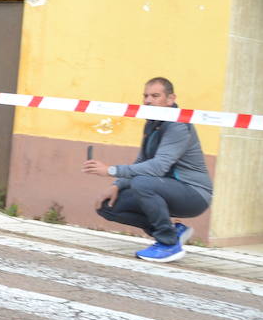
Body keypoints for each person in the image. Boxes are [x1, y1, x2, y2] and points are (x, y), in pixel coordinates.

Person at [83, 78, 213, 263]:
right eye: (145, 96)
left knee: (142, 183)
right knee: (109, 206)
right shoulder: (153, 124)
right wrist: (117, 185)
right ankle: (172, 232)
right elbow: (142, 161)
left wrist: (110, 170)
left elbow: (157, 167)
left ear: (170, 99)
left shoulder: (178, 125)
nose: (148, 101)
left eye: (155, 96)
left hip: (194, 194)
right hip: (164, 187)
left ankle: (168, 244)